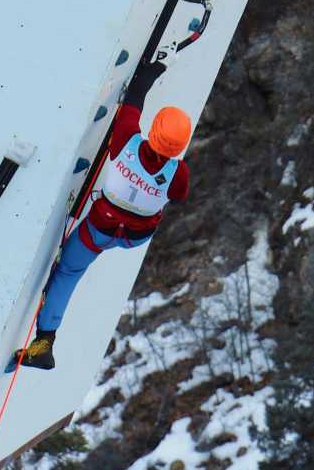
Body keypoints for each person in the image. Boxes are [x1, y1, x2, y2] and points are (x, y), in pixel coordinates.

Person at [18, 59, 191, 370]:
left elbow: (133, 99)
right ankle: (43, 340)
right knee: (94, 249)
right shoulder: (178, 174)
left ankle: (44, 342)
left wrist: (149, 74)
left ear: (153, 132)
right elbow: (177, 197)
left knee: (68, 272)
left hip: (99, 227)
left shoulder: (127, 139)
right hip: (134, 236)